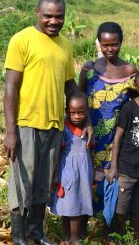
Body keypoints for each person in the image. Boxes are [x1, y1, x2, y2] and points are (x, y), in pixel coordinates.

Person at [3, 0, 91, 244]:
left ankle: (36, 231)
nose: (54, 21)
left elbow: (69, 86)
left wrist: (88, 119)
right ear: (37, 13)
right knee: (23, 181)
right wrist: (11, 131)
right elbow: (11, 87)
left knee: (44, 181)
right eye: (48, 16)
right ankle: (18, 235)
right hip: (27, 123)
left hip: (54, 124)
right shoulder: (22, 39)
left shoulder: (64, 45)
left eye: (59, 16)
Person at [78, 22, 137, 216]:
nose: (110, 49)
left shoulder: (130, 71)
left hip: (116, 137)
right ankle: (86, 218)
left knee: (112, 179)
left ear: (121, 43)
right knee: (87, 177)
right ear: (99, 44)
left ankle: (109, 223)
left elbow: (136, 104)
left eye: (114, 44)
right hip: (90, 134)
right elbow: (78, 99)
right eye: (105, 45)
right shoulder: (90, 69)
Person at [106, 68, 139, 237]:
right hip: (126, 168)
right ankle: (120, 235)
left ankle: (134, 234)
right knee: (121, 206)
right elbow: (118, 138)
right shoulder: (129, 108)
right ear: (136, 87)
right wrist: (114, 166)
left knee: (137, 206)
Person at [49, 92, 93, 245]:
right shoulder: (65, 129)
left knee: (77, 204)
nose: (77, 116)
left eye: (81, 113)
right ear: (67, 112)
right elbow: (58, 152)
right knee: (69, 205)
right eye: (73, 113)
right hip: (68, 172)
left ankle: (72, 236)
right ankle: (70, 237)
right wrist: (54, 174)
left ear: (87, 112)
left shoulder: (88, 129)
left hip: (83, 172)